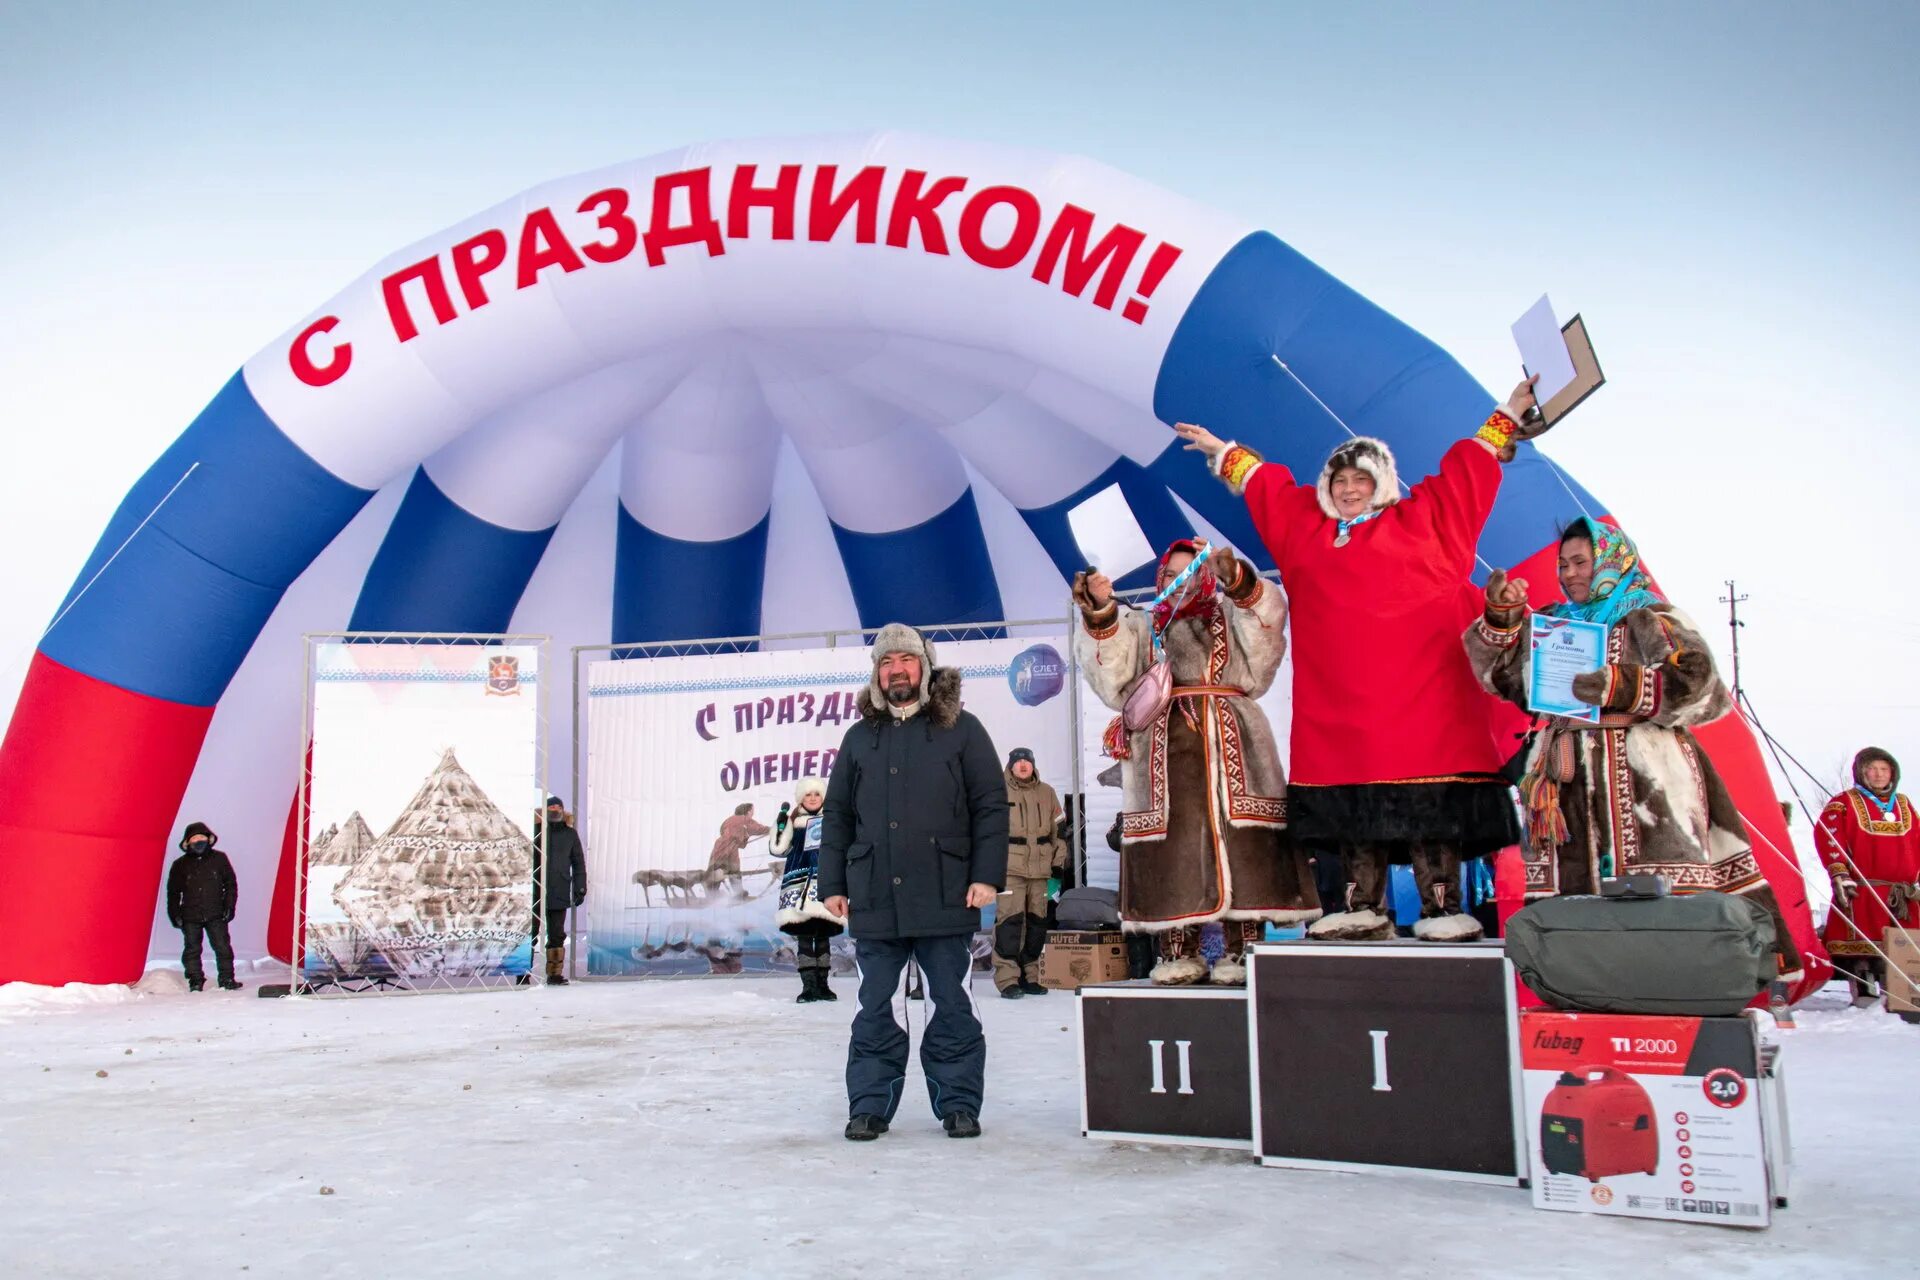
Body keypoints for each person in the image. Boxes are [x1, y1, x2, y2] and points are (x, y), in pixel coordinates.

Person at [1175, 381, 1541, 943]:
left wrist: (1507, 416)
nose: (1348, 490)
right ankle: (1360, 905)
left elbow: (1469, 467)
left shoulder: (1429, 520)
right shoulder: (1307, 531)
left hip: (1426, 702)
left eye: (1360, 480)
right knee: (1352, 813)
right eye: (1339, 481)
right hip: (1340, 707)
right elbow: (1268, 486)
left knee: (1429, 809)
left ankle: (1440, 908)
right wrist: (1224, 451)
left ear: (1381, 485)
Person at [1464, 517, 1803, 978]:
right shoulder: (1551, 625)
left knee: (1660, 901)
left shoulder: (1651, 617)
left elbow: (1704, 691)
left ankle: (1677, 990)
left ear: (1610, 559)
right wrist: (1503, 618)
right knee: (1575, 901)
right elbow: (1504, 680)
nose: (1570, 573)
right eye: (1563, 564)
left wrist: (1621, 686)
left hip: (1647, 781)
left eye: (1581, 561)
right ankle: (1585, 989)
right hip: (1565, 779)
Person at [1073, 539, 1319, 984]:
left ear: (1206, 576)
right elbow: (1110, 678)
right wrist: (1102, 611)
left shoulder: (1229, 616)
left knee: (1241, 841)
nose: (1176, 582)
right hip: (1162, 747)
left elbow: (1267, 636)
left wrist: (1239, 579)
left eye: (1188, 573)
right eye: (1169, 575)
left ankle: (1243, 950)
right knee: (1172, 847)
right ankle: (1175, 951)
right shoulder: (1141, 626)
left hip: (1235, 740)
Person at [817, 623, 1008, 1142]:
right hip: (875, 895)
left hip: (947, 891)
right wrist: (832, 882)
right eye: (886, 662)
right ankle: (869, 1105)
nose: (896, 670)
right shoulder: (859, 737)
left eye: (905, 660)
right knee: (877, 1006)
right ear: (877, 674)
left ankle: (959, 1105)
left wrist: (987, 876)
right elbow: (836, 816)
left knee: (951, 1002)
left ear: (924, 667)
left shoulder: (962, 728)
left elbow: (989, 805)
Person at [1816, 747, 1920, 1004]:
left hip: (1901, 894)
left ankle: (1900, 993)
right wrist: (1839, 873)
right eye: (1872, 769)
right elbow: (1829, 837)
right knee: (1861, 946)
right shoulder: (1843, 803)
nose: (1878, 775)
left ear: (1893, 773)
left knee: (1902, 944)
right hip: (1862, 889)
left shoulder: (1904, 804)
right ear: (1861, 773)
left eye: (1884, 769)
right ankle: (1863, 988)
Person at [997, 747, 1064, 998]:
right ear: (1010, 766)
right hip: (1010, 869)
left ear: (1033, 765)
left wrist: (1057, 865)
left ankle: (1031, 977)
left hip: (1041, 870)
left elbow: (1061, 832)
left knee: (1037, 924)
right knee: (1009, 923)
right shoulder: (998, 791)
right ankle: (1007, 980)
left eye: (1027, 761)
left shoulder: (1048, 793)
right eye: (1018, 761)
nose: (1023, 765)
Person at [772, 776, 846, 1003]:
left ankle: (823, 985)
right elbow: (778, 849)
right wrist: (780, 825)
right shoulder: (793, 821)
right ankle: (808, 987)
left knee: (823, 937)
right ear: (800, 798)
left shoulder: (832, 820)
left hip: (824, 884)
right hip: (798, 884)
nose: (813, 799)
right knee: (804, 937)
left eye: (817, 794)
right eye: (808, 794)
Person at [167, 822, 240, 992]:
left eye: (202, 837)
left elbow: (230, 884)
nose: (199, 841)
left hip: (216, 913)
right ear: (187, 842)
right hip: (190, 915)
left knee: (222, 946)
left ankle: (227, 978)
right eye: (194, 838)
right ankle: (195, 980)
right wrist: (175, 914)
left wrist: (229, 906)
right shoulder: (179, 864)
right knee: (192, 949)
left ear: (209, 839)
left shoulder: (220, 859)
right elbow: (173, 892)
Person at [533, 796, 588, 986]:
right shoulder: (536, 832)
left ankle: (554, 974)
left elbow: (578, 863)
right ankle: (522, 974)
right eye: (551, 807)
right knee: (530, 933)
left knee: (557, 933)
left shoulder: (570, 834)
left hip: (559, 889)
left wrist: (580, 888)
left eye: (558, 807)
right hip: (534, 891)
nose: (555, 809)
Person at [708, 803, 769, 899]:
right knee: (734, 871)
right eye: (752, 810)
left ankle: (711, 895)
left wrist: (738, 839)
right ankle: (739, 895)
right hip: (730, 848)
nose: (753, 813)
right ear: (748, 811)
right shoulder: (745, 819)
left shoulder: (728, 820)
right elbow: (758, 829)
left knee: (716, 869)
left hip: (718, 846)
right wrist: (772, 830)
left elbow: (723, 831)